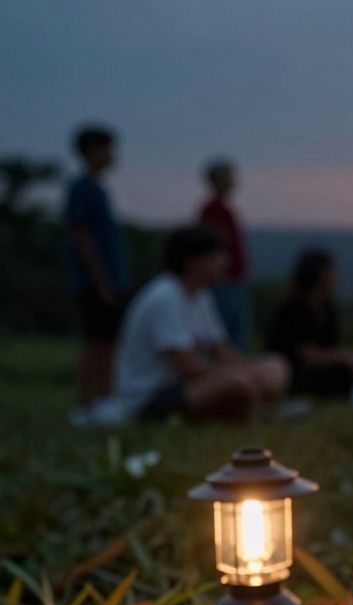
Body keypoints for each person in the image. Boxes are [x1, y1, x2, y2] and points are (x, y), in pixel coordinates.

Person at [112, 226, 289, 422]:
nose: (224, 262)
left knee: (275, 366)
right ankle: (251, 413)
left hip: (190, 385)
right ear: (192, 262)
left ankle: (252, 410)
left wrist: (248, 369)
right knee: (237, 385)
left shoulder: (201, 295)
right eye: (216, 255)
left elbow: (222, 348)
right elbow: (187, 367)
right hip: (153, 397)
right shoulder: (166, 297)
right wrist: (239, 374)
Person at [65, 125, 129, 405]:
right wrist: (102, 282)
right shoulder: (82, 188)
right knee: (99, 344)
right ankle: (90, 402)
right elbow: (81, 237)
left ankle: (100, 400)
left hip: (107, 281)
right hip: (97, 284)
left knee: (108, 343)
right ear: (92, 152)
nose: (112, 156)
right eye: (107, 149)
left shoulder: (96, 189)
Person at [266, 249, 353, 398]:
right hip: (290, 371)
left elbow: (332, 345)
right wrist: (343, 356)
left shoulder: (328, 308)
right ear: (320, 275)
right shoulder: (292, 308)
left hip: (319, 367)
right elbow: (305, 353)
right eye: (331, 271)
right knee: (338, 373)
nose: (336, 276)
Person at [197, 158, 249, 350]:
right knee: (226, 329)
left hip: (233, 278)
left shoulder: (224, 209)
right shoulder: (211, 210)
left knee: (235, 328)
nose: (232, 182)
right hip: (223, 281)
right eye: (228, 178)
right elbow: (212, 246)